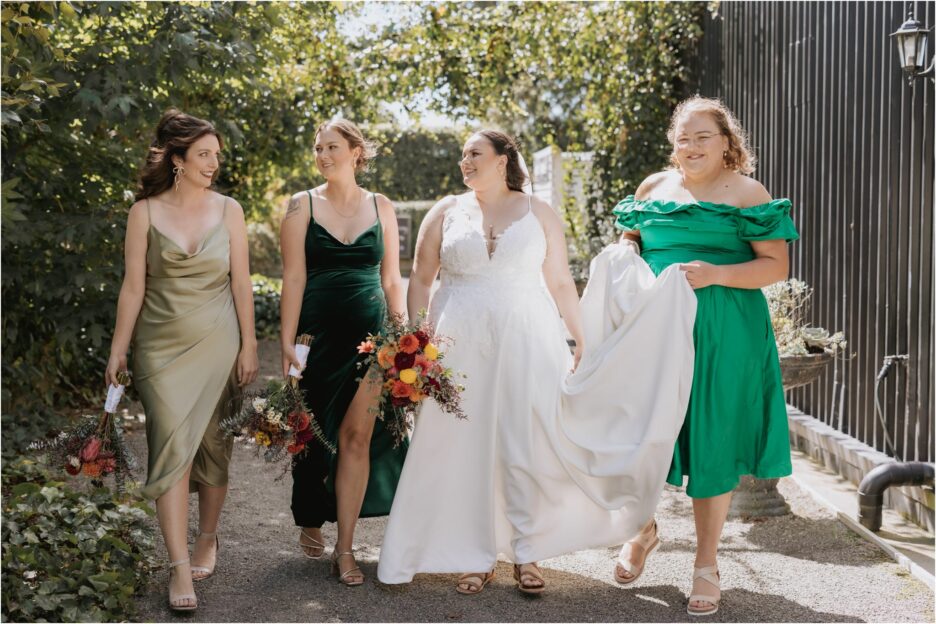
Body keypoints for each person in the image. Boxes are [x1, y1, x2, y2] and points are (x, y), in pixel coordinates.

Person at [377, 130, 696, 595]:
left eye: (475, 154)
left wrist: (580, 339)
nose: (465, 162)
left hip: (528, 340)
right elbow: (422, 278)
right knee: (463, 447)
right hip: (457, 345)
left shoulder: (538, 211)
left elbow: (561, 281)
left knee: (524, 445)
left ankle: (529, 551)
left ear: (504, 159)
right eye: (463, 155)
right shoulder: (445, 211)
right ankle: (475, 554)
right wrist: (418, 341)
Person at [611, 95, 798, 616]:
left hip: (725, 331)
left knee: (713, 441)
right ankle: (643, 530)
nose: (691, 146)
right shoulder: (653, 188)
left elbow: (775, 266)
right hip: (654, 329)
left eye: (703, 137)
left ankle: (706, 564)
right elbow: (631, 240)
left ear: (726, 142)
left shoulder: (748, 192)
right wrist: (626, 258)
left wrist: (717, 274)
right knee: (638, 432)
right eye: (683, 137)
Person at [105, 109, 258, 612]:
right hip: (159, 348)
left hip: (219, 341)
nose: (214, 163)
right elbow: (133, 286)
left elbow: (240, 282)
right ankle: (176, 569)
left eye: (216, 154)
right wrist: (118, 348)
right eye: (204, 155)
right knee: (170, 445)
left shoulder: (229, 209)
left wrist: (250, 344)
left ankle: (207, 538)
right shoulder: (143, 213)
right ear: (177, 159)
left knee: (214, 445)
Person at [279, 119, 407, 586]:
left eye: (332, 147)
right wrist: (287, 339)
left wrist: (405, 337)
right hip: (317, 339)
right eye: (318, 148)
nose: (323, 155)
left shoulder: (382, 206)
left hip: (373, 339)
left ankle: (346, 549)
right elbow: (293, 276)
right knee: (312, 436)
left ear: (356, 152)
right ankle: (310, 515)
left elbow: (392, 278)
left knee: (356, 437)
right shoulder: (300, 206)